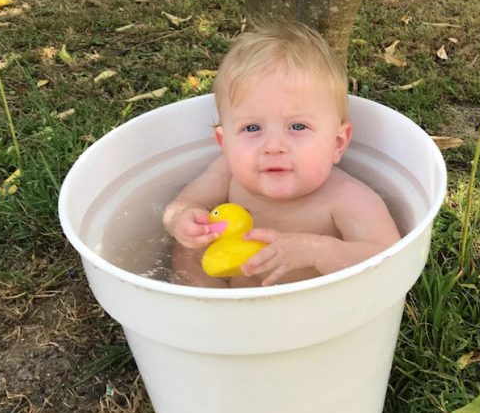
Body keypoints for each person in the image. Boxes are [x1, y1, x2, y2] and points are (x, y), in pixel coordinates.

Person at [162, 22, 400, 288]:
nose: (273, 146)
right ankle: (201, 301)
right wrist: (183, 220)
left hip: (314, 309)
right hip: (230, 297)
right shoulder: (226, 172)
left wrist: (319, 251)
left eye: (297, 127)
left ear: (337, 142)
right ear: (225, 143)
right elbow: (182, 204)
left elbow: (391, 261)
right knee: (188, 249)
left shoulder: (347, 198)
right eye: (252, 128)